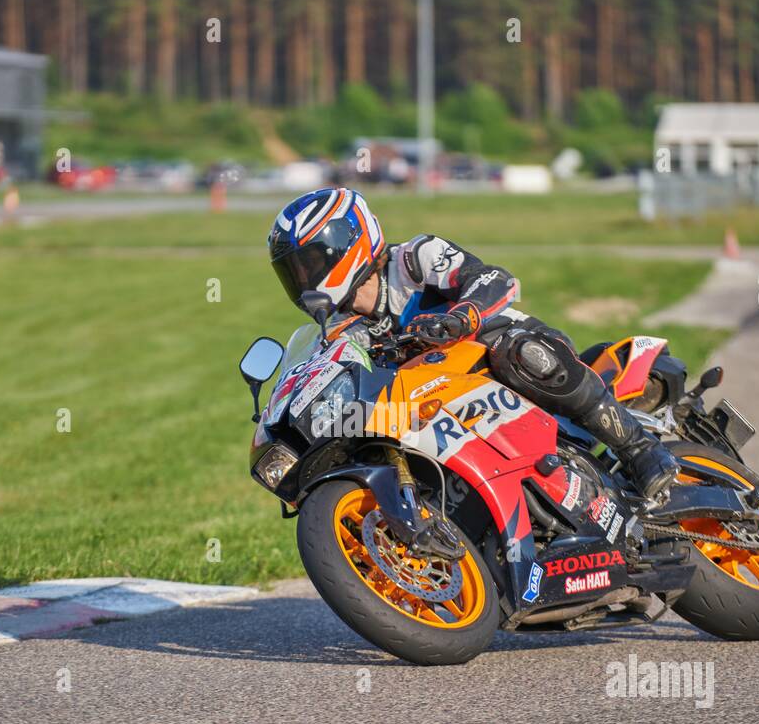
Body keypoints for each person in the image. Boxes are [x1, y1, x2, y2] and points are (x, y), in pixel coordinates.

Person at [267, 187, 679, 501]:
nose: (304, 281)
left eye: (311, 264)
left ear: (347, 241)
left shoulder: (414, 259)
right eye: (294, 273)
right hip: (448, 400)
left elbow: (493, 279)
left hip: (508, 354)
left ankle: (640, 448)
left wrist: (461, 315)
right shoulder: (342, 330)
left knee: (518, 354)